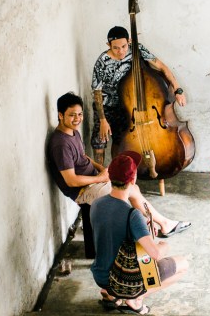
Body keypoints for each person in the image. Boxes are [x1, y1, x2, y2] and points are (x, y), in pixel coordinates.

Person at [47, 92, 191, 236]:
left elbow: (83, 157)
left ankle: (159, 224)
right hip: (83, 191)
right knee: (125, 193)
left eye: (80, 114)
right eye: (72, 115)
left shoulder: (73, 132)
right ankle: (149, 228)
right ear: (60, 115)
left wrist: (102, 169)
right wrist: (100, 178)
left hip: (94, 180)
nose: (77, 119)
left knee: (133, 187)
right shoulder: (61, 144)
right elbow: (71, 181)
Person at [90, 152, 189, 314]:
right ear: (133, 180)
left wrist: (142, 229)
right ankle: (135, 298)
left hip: (100, 276)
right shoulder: (132, 214)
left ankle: (111, 294)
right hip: (122, 281)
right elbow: (155, 254)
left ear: (110, 177)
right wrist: (163, 245)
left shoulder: (96, 204)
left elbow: (113, 233)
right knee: (183, 264)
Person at [90, 25, 188, 165]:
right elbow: (97, 92)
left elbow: (161, 66)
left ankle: (122, 172)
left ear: (129, 41)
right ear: (108, 45)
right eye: (115, 48)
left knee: (120, 142)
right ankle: (99, 174)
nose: (120, 51)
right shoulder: (102, 62)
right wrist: (102, 120)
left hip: (129, 105)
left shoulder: (137, 49)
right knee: (99, 141)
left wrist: (178, 89)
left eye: (124, 46)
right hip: (107, 106)